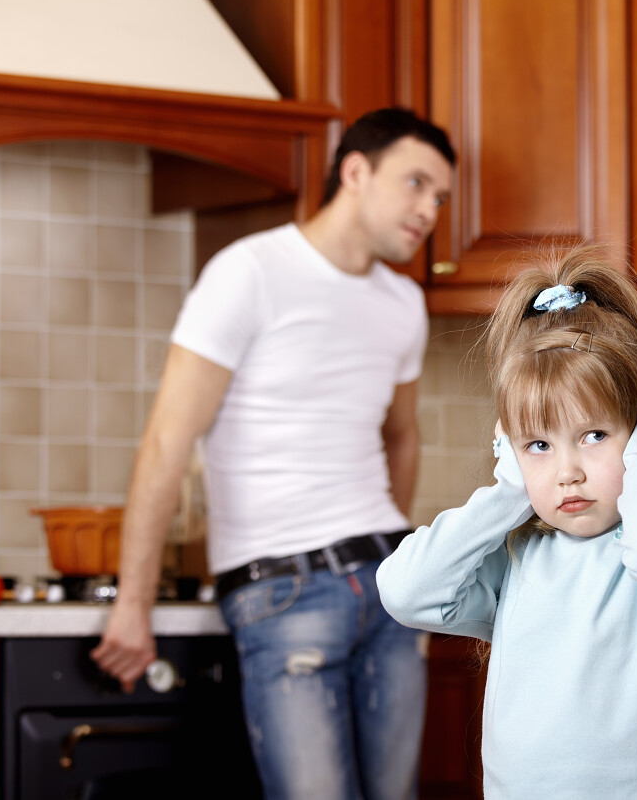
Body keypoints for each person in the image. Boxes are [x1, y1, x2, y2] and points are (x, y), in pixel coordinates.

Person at [92, 107, 456, 800]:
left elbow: (402, 433)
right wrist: (132, 602)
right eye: (416, 183)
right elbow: (168, 441)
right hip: (283, 593)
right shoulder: (248, 272)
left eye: (440, 197)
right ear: (356, 171)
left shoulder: (404, 303)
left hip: (387, 584)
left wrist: (398, 562)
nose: (429, 209)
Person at [376, 247, 637, 799]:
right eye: (538, 445)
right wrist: (512, 489)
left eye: (594, 436)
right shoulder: (516, 562)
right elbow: (405, 590)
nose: (566, 472)